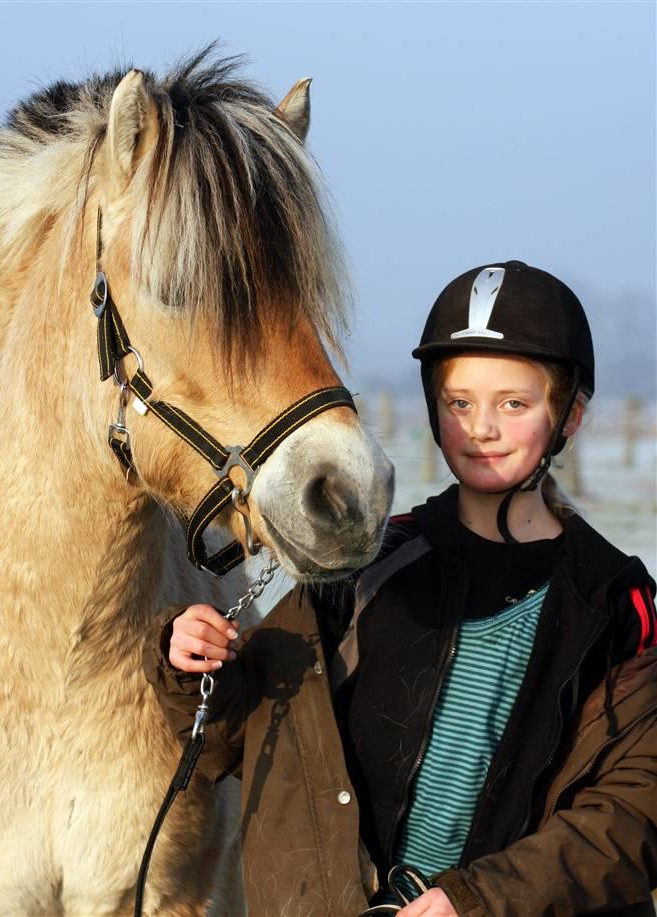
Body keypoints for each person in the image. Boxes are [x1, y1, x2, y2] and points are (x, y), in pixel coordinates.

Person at [143, 261, 657, 916]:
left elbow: (629, 815)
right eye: (459, 402)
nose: (481, 428)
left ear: (572, 416)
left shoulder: (615, 601)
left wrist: (473, 901)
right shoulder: (367, 565)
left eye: (514, 404)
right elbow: (240, 739)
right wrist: (190, 661)